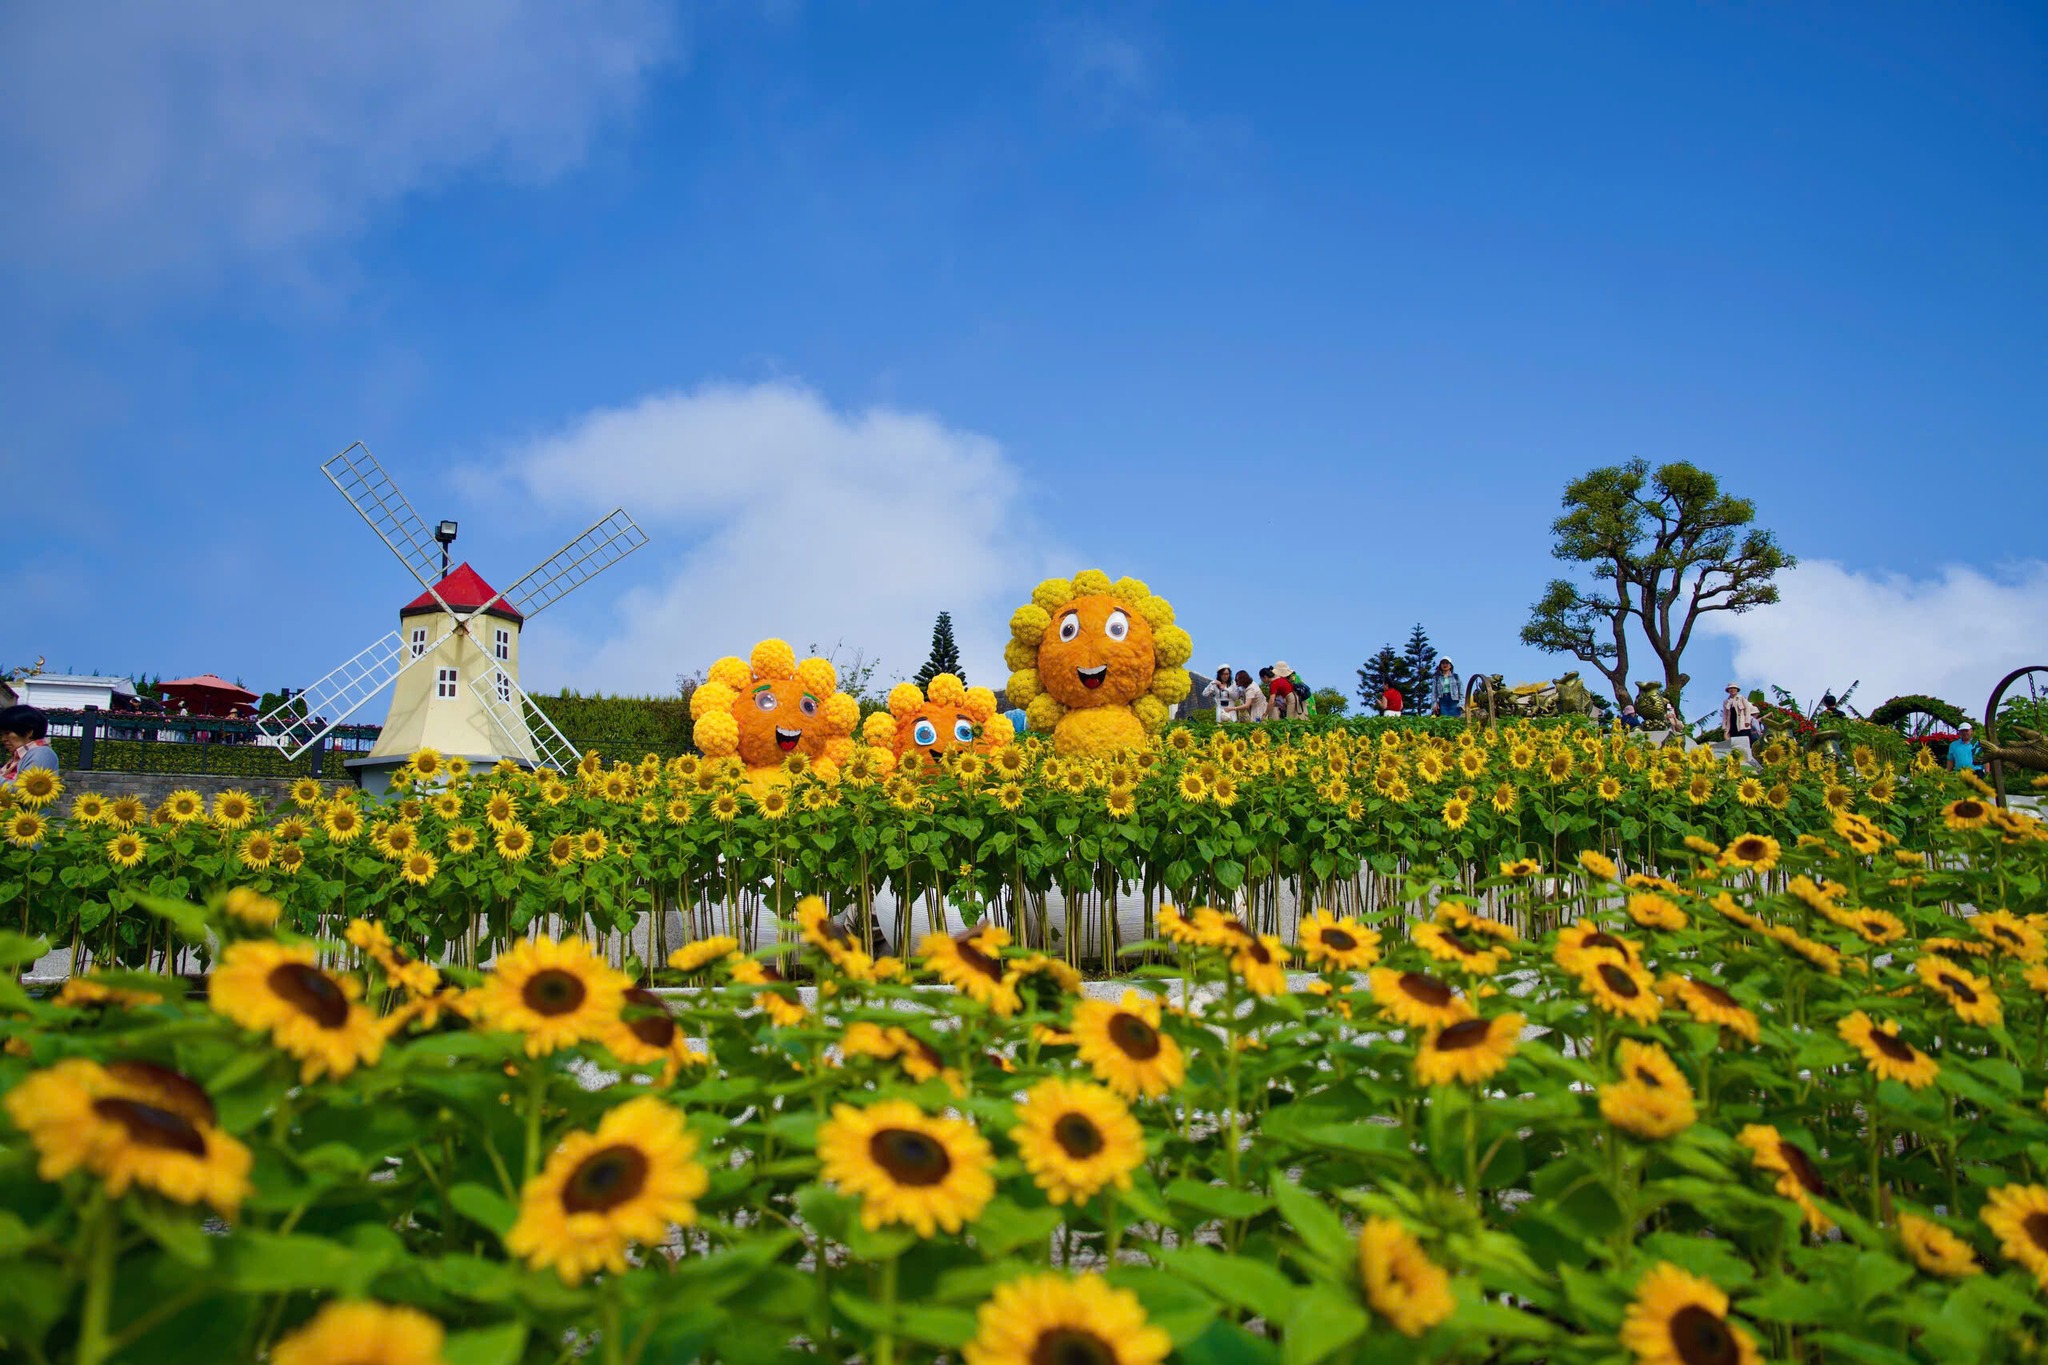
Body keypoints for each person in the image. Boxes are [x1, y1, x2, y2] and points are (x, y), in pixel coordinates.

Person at [0, 705, 57, 785]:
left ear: (28, 732)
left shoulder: (41, 753)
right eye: (1, 735)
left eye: (7, 733)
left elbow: (28, 788)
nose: (3, 739)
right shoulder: (21, 756)